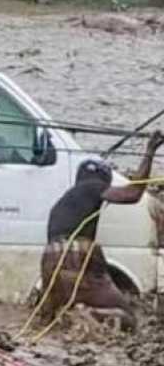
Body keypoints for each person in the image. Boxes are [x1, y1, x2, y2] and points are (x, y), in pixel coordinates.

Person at [40, 130, 164, 330]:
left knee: (53, 317)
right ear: (103, 181)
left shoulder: (65, 199)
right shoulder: (93, 186)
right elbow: (133, 193)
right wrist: (150, 151)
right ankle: (91, 313)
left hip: (49, 257)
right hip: (77, 251)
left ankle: (71, 318)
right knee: (129, 317)